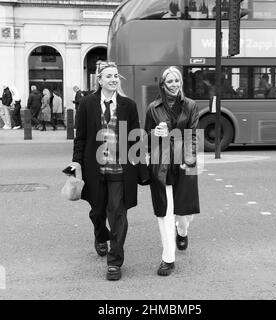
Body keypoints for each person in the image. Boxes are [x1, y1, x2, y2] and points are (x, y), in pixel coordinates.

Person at [69, 62, 149, 281]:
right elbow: (81, 138)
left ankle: (114, 262)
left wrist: (142, 167)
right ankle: (99, 234)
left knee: (118, 214)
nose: (114, 79)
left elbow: (135, 137)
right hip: (94, 169)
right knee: (97, 212)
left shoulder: (128, 105)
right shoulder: (86, 104)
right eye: (109, 76)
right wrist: (76, 163)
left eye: (116, 76)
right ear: (100, 80)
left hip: (120, 171)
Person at [144, 66, 200, 276]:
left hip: (185, 160)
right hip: (162, 162)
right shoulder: (153, 108)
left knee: (184, 212)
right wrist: (154, 132)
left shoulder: (191, 105)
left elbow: (193, 134)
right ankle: (168, 258)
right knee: (165, 211)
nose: (175, 85)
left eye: (177, 81)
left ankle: (182, 230)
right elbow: (145, 139)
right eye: (170, 81)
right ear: (163, 85)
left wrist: (190, 157)